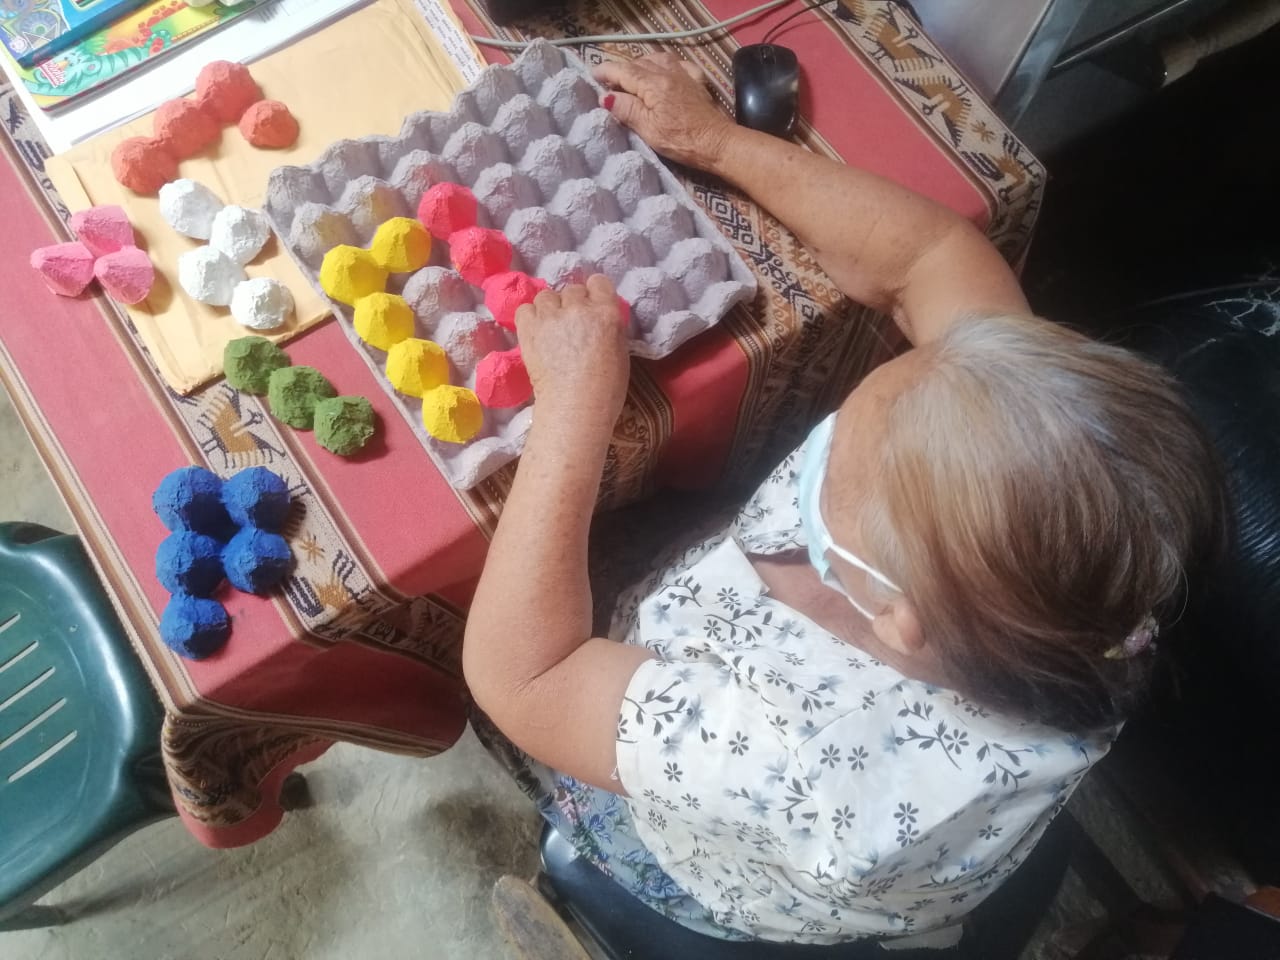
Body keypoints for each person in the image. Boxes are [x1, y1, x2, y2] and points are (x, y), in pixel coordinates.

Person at [462, 54, 1223, 947]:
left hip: (732, 867)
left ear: (896, 612)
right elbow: (931, 260)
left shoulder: (797, 755)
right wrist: (717, 140)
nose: (813, 455)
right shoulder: (1088, 528)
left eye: (830, 467)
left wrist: (574, 409)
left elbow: (527, 678)